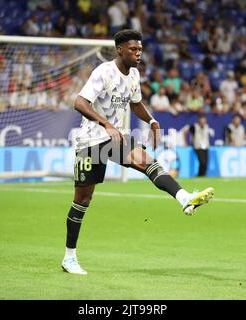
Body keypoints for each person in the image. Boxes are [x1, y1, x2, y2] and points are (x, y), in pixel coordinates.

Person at [62, 30, 214, 275]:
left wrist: (152, 120)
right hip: (90, 141)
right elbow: (79, 102)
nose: (138, 54)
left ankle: (184, 198)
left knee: (148, 162)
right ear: (120, 49)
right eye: (133, 50)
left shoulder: (133, 74)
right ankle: (69, 257)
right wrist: (107, 124)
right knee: (82, 200)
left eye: (140, 50)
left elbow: (134, 103)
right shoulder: (104, 72)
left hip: (116, 139)